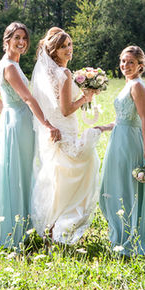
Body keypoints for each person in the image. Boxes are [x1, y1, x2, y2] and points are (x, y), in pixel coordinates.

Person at [0, 22, 61, 249]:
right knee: (20, 174)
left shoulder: (6, 63)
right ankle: (15, 231)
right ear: (7, 41)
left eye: (24, 38)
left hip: (13, 123)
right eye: (17, 38)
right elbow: (28, 98)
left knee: (17, 172)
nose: (21, 42)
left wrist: (9, 116)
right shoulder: (10, 67)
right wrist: (46, 124)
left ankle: (22, 227)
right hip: (19, 124)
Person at [31, 28, 106, 244]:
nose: (68, 49)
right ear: (53, 51)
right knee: (77, 177)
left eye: (70, 44)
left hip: (56, 130)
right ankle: (60, 226)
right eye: (63, 46)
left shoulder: (50, 73)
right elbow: (65, 109)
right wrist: (85, 98)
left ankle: (52, 228)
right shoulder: (63, 73)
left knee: (59, 180)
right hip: (65, 131)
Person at [99, 45, 145, 256]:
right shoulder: (128, 84)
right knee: (118, 183)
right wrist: (104, 127)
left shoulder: (137, 85)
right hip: (118, 140)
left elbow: (144, 119)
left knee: (130, 186)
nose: (125, 65)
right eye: (123, 61)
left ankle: (134, 232)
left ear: (140, 65)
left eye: (131, 62)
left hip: (131, 142)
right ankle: (122, 229)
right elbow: (122, 118)